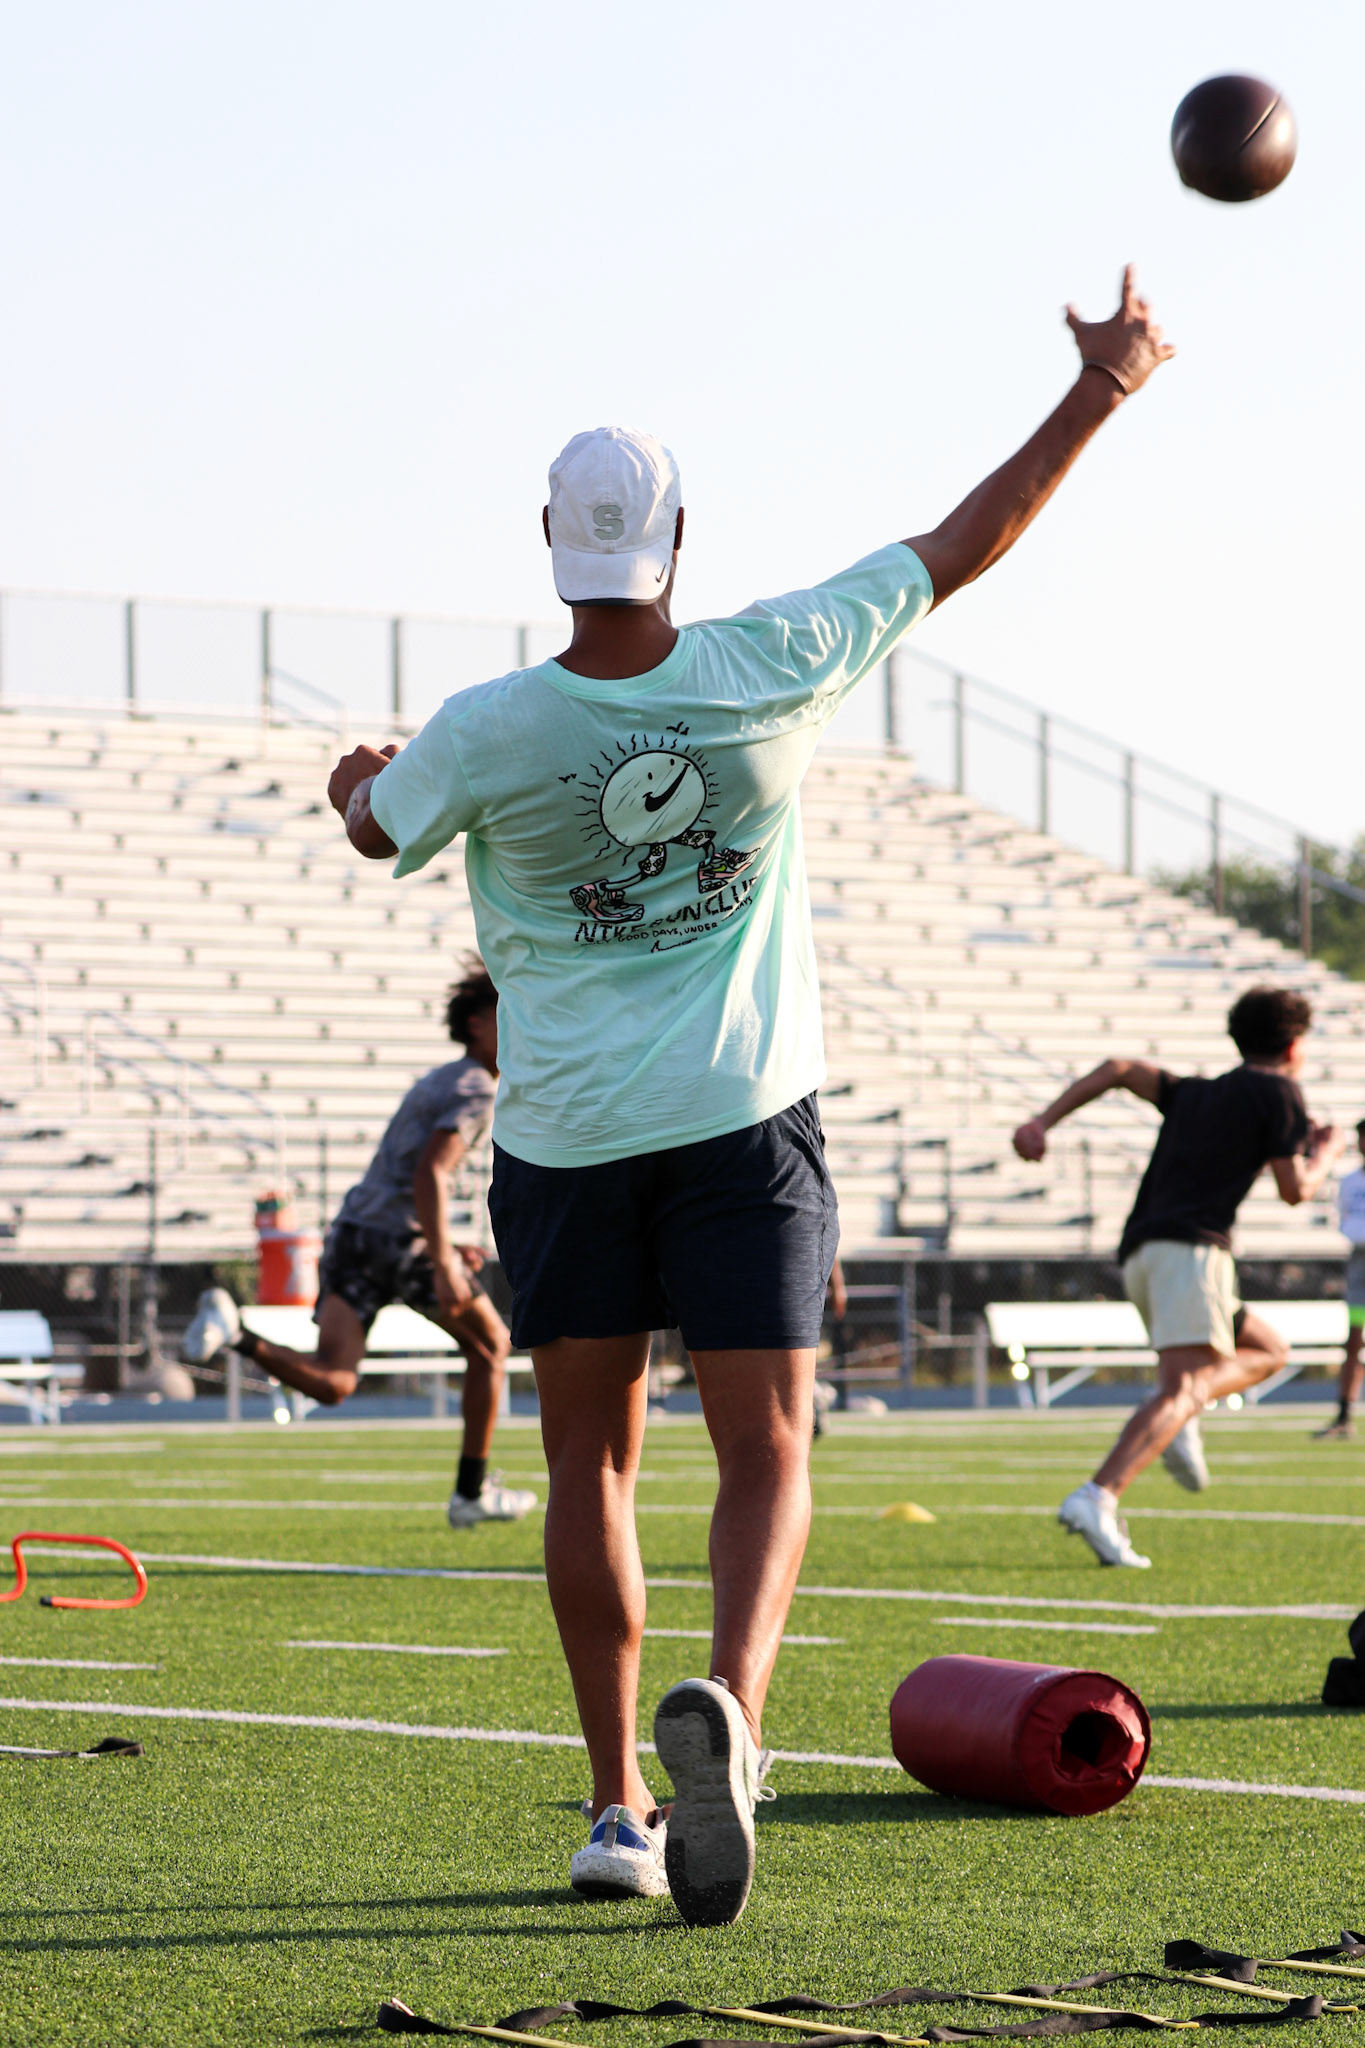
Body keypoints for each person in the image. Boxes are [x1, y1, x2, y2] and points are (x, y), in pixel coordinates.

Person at [325, 267, 1174, 1922]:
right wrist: (1104, 385)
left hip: (566, 1139)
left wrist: (361, 783)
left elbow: (375, 828)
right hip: (741, 1120)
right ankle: (738, 1711)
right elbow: (969, 539)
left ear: (549, 541)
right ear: (678, 537)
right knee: (768, 1446)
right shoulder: (775, 655)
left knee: (591, 1466)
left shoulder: (489, 725)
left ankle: (615, 1809)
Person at [182, 959, 536, 1528]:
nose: (523, 1023)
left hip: (354, 1233)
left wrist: (444, 1246)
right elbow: (429, 1174)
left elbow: (408, 1177)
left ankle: (236, 1333)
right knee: (491, 1346)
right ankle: (471, 1492)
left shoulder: (442, 1078)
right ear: (476, 1024)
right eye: (509, 1012)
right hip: (397, 1237)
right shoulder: (476, 1085)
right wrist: (442, 1260)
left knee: (335, 1381)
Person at [1012, 986, 1344, 1568]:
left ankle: (1176, 1414)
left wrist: (1043, 1121)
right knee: (1184, 1387)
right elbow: (1296, 1190)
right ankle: (1098, 1495)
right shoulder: (1280, 1091)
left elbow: (1119, 1069)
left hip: (1142, 1253)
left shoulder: (1198, 1092)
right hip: (1193, 1252)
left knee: (1268, 1350)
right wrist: (1328, 1152)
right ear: (1294, 1046)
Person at [1316, 1119, 1365, 1440]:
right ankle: (1345, 1415)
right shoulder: (1350, 1182)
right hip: (1360, 1265)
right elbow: (1345, 1219)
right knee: (1354, 1340)